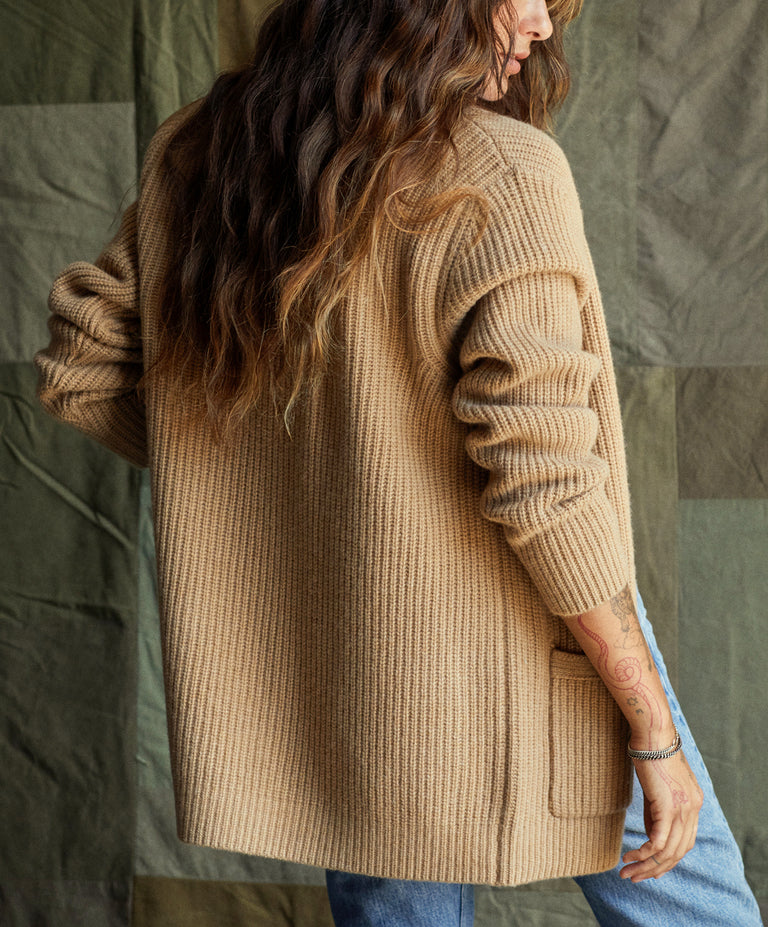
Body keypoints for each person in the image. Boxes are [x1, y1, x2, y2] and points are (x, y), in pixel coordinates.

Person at [33, 0, 762, 924]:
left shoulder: (205, 148)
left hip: (353, 660)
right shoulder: (507, 171)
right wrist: (651, 726)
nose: (543, 24)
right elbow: (547, 481)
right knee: (695, 907)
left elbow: (84, 363)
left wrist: (280, 485)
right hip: (531, 628)